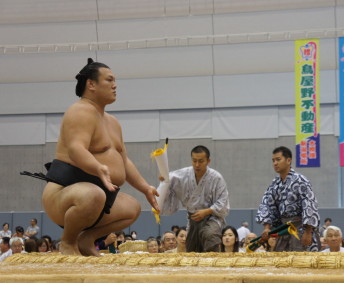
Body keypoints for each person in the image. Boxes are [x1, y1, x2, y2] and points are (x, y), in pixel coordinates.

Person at [35, 58, 159, 256]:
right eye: (109, 80)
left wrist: (145, 188)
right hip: (65, 194)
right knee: (94, 194)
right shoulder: (80, 110)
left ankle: (86, 239)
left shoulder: (113, 122)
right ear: (91, 84)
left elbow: (124, 161)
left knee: (132, 208)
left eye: (115, 80)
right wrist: (96, 167)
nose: (115, 85)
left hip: (99, 198)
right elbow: (76, 148)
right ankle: (67, 242)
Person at [159, 145, 230, 252]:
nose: (197, 164)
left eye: (201, 161)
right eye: (194, 161)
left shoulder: (216, 178)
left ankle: (214, 264)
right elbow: (168, 179)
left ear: (208, 161)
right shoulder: (183, 174)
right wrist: (163, 179)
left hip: (213, 217)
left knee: (209, 234)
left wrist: (206, 211)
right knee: (192, 249)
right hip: (193, 218)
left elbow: (223, 202)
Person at [256, 146, 320, 252]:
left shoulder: (300, 180)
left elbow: (310, 205)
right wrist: (267, 228)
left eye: (278, 159)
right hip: (283, 230)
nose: (275, 163)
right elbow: (267, 205)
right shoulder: (274, 184)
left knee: (303, 264)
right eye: (273, 160)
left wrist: (308, 231)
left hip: (301, 228)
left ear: (288, 160)